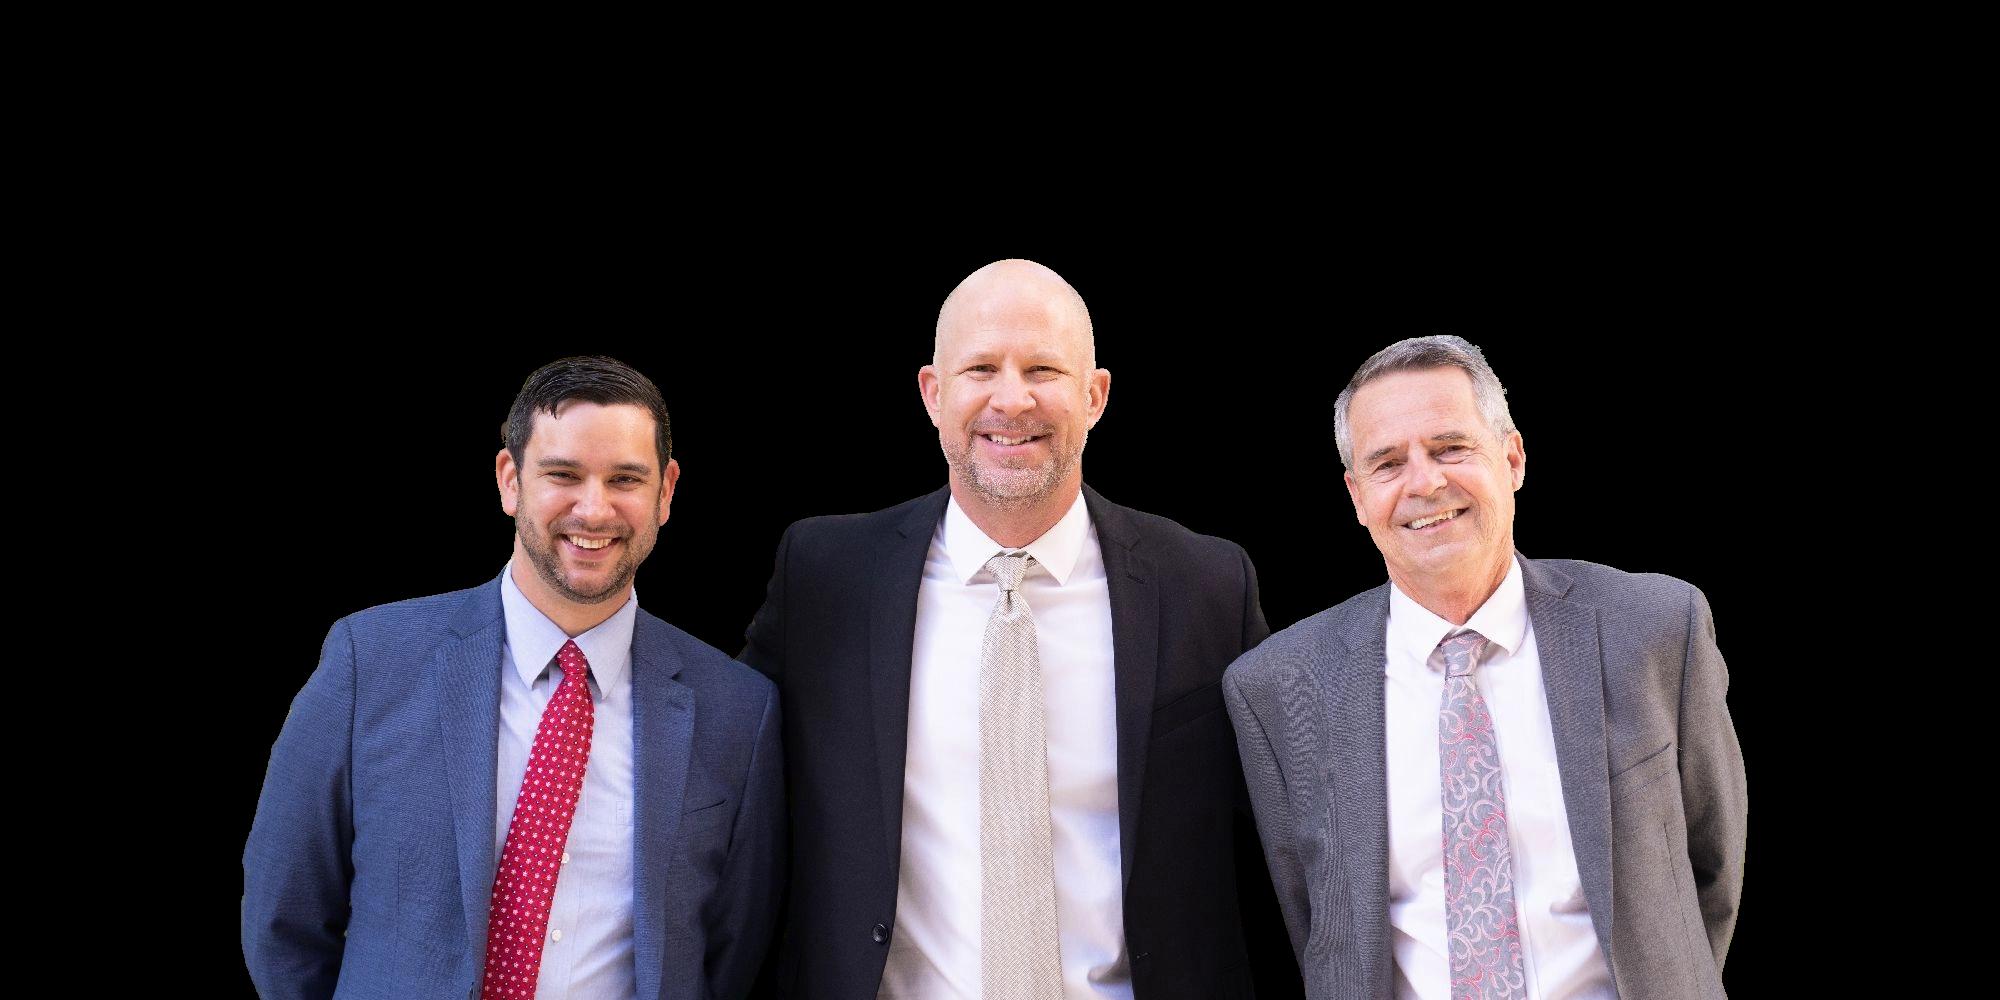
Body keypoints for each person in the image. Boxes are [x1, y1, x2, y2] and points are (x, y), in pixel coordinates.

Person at [741, 260, 1295, 998]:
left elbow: (1290, 829)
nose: (1012, 399)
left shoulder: (1206, 585)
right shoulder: (825, 578)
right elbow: (725, 775)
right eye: (980, 369)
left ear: (1095, 396)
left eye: (1043, 369)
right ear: (933, 395)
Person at [243, 356, 784, 1000]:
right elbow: (285, 919)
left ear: (665, 492)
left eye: (625, 479)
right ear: (510, 479)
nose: (594, 508)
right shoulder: (372, 661)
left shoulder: (737, 711)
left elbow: (734, 954)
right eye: (563, 474)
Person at [1223, 335, 1747, 999]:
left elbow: (1712, 870)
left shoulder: (1653, 628)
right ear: (1356, 496)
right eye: (1388, 463)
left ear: (1513, 458)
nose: (1425, 482)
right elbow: (1315, 925)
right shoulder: (1280, 685)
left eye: (1450, 448)